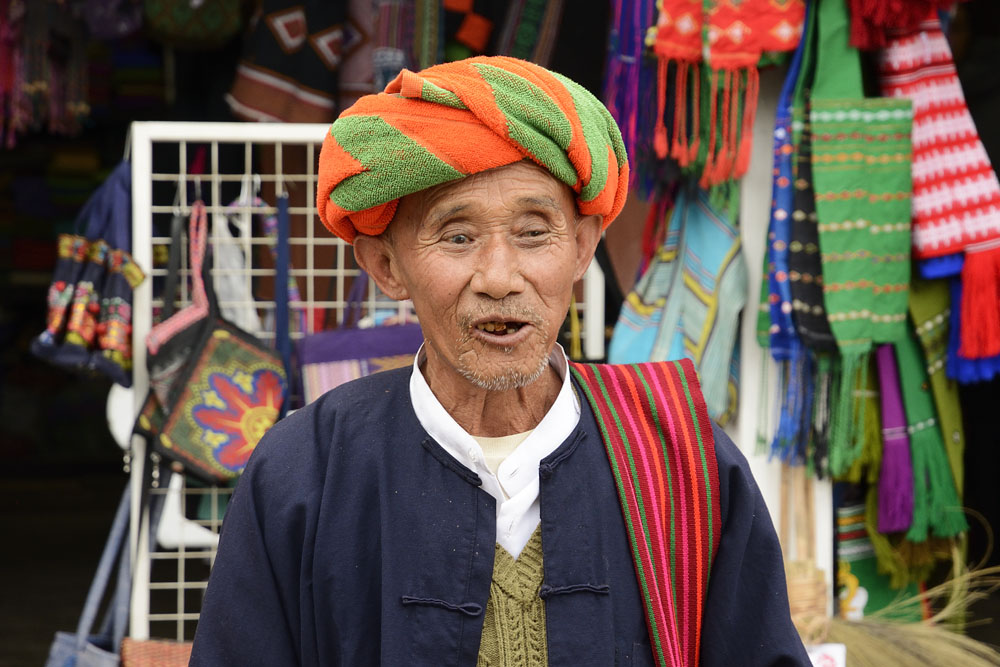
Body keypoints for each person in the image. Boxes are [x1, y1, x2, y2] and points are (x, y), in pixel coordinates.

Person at [190, 56, 810, 666]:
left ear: (582, 248)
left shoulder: (678, 457)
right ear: (387, 267)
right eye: (457, 236)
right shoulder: (306, 472)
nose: (498, 277)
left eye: (534, 232)